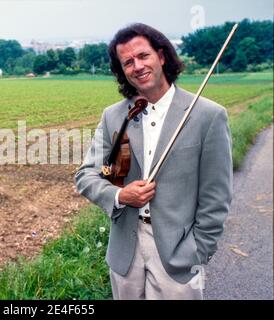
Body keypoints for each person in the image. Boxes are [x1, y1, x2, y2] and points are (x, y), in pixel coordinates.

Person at [75, 23, 232, 300]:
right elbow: (87, 175)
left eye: (143, 56)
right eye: (127, 62)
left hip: (178, 254)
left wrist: (197, 251)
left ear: (161, 56)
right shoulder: (113, 116)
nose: (137, 66)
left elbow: (216, 197)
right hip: (125, 252)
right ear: (122, 71)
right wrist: (121, 194)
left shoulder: (208, 115)